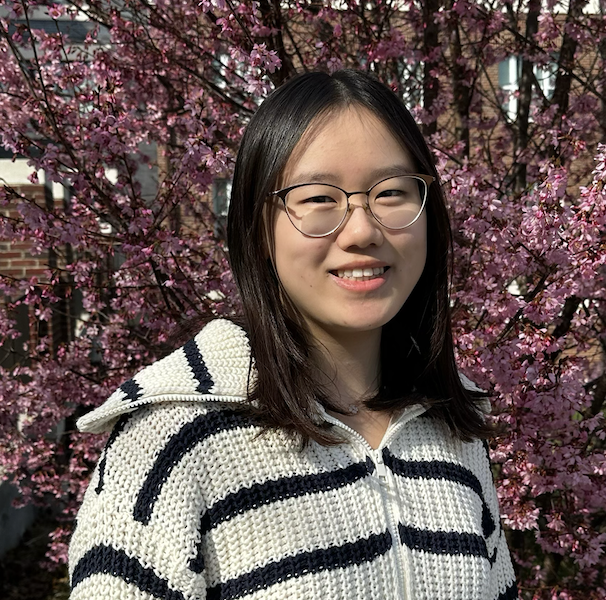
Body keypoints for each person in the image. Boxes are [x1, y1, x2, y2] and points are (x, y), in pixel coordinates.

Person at [68, 70, 519, 600]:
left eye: (392, 192)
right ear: (260, 229)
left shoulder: (453, 427)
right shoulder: (173, 439)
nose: (362, 231)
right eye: (317, 198)